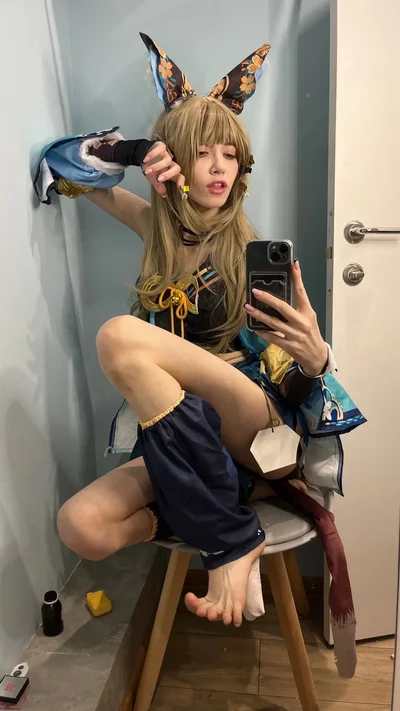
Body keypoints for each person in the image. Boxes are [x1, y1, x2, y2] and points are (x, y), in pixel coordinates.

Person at [35, 33, 365, 675]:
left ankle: (228, 538)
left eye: (230, 154)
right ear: (175, 161)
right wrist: (135, 150)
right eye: (201, 152)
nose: (219, 167)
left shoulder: (253, 254)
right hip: (190, 444)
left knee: (118, 337)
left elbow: (295, 388)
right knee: (82, 526)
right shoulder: (155, 230)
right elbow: (63, 162)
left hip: (256, 430)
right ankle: (225, 525)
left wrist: (315, 360)